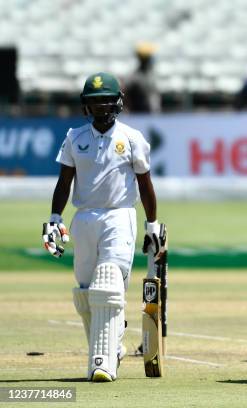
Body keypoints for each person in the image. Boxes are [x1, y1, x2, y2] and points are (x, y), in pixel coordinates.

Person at [42, 72, 165, 382]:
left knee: (109, 283)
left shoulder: (132, 138)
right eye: (94, 102)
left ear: (117, 104)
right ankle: (113, 346)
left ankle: (102, 363)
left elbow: (146, 185)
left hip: (119, 217)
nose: (100, 107)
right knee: (85, 293)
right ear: (86, 106)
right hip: (83, 218)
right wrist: (55, 218)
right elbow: (64, 182)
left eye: (105, 101)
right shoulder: (74, 137)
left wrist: (152, 224)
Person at [124, 43, 161, 113]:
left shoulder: (152, 74)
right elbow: (126, 95)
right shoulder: (135, 77)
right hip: (139, 115)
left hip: (153, 114)